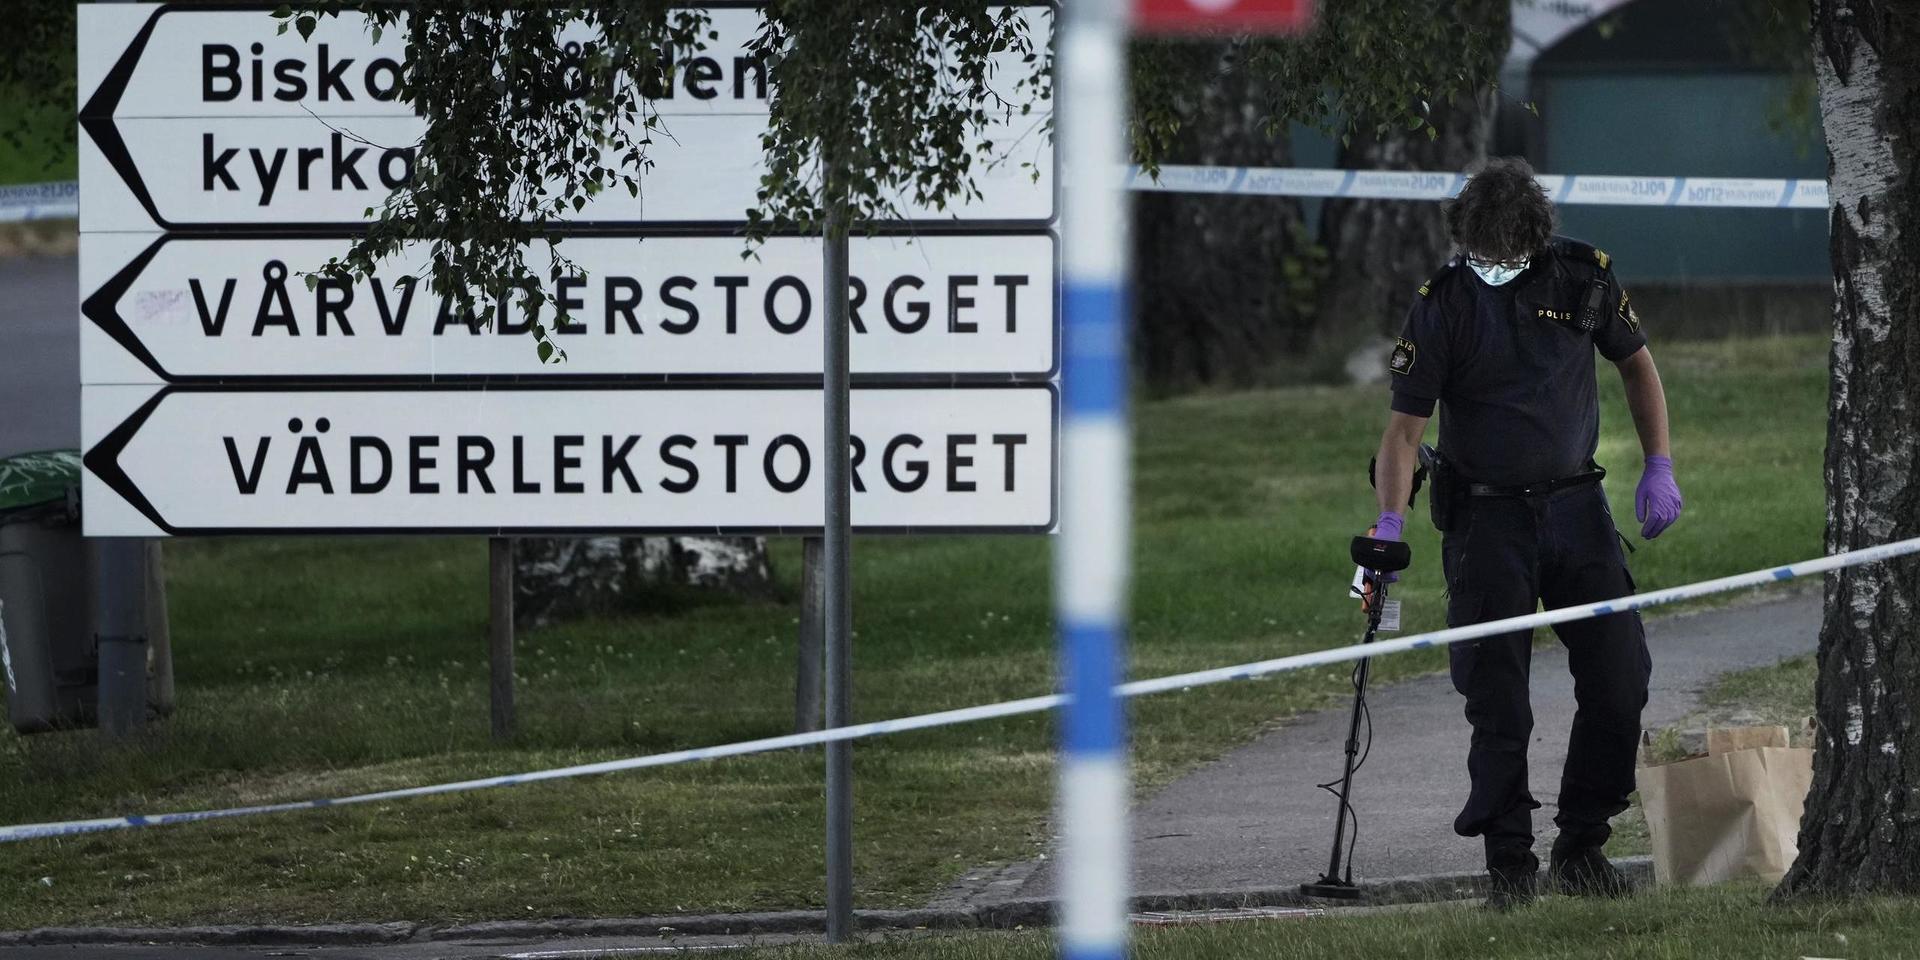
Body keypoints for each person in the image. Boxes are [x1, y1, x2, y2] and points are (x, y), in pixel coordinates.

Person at [1366, 157, 1684, 909]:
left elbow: (1638, 368)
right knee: (1498, 698)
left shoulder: (1584, 278)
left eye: (1511, 255)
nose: (1498, 267)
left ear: (1537, 241)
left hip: (1577, 508)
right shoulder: (1443, 304)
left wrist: (1658, 464)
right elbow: (1404, 432)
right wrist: (1388, 524)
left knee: (1620, 678)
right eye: (1485, 255)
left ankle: (1583, 842)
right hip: (1485, 519)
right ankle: (1509, 862)